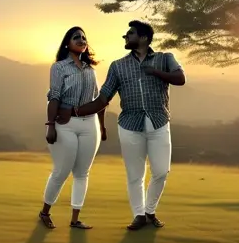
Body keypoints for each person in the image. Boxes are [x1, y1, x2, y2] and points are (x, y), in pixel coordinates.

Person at [75, 20, 186, 231]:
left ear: (143, 37)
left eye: (130, 34)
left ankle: (150, 210)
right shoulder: (118, 66)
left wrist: (155, 72)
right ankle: (139, 215)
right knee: (135, 175)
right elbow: (103, 98)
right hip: (129, 125)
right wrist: (76, 112)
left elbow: (180, 78)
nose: (125, 37)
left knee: (161, 171)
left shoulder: (165, 58)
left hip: (159, 122)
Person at [39, 26, 107, 230]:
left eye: (84, 37)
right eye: (76, 37)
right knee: (61, 170)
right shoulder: (59, 67)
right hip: (65, 124)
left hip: (90, 123)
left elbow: (98, 100)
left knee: (82, 173)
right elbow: (54, 96)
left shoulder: (91, 70)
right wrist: (50, 125)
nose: (81, 40)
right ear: (67, 43)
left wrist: (102, 127)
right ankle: (44, 212)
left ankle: (75, 219)